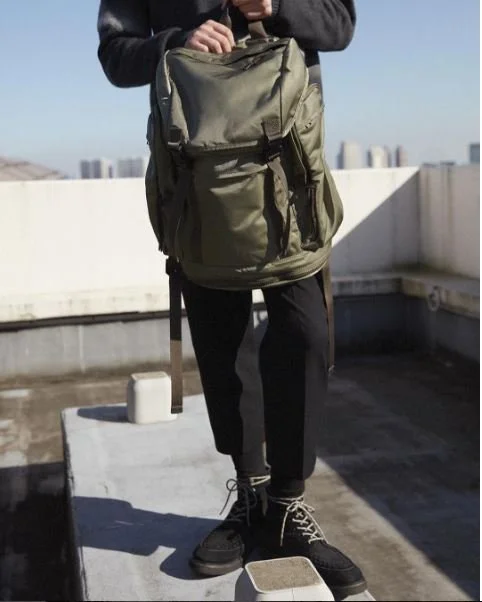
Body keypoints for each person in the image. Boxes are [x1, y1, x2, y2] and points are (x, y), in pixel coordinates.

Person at [97, 0, 366, 597]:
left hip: (287, 174)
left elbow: (339, 24)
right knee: (222, 345)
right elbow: (115, 55)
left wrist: (278, 6)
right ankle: (251, 495)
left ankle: (288, 507)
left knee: (304, 333)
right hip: (199, 174)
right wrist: (176, 39)